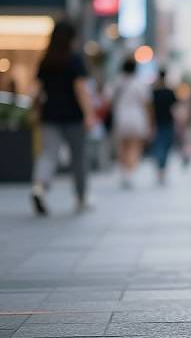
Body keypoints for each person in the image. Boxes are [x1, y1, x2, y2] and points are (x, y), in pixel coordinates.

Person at [31, 20, 96, 215]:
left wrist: (34, 111)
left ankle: (39, 188)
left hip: (49, 114)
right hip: (73, 116)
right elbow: (80, 89)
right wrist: (89, 114)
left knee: (48, 154)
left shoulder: (46, 60)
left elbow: (36, 90)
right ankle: (81, 196)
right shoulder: (74, 59)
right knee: (78, 157)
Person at [109, 57, 152, 189]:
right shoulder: (140, 83)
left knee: (122, 145)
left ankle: (124, 172)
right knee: (134, 146)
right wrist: (150, 121)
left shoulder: (116, 82)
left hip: (120, 117)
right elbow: (146, 104)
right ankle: (130, 172)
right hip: (137, 118)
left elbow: (109, 100)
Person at [151, 68, 177, 184]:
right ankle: (162, 168)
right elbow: (175, 108)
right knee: (165, 147)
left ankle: (159, 168)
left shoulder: (153, 92)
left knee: (159, 145)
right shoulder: (169, 92)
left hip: (157, 122)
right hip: (168, 122)